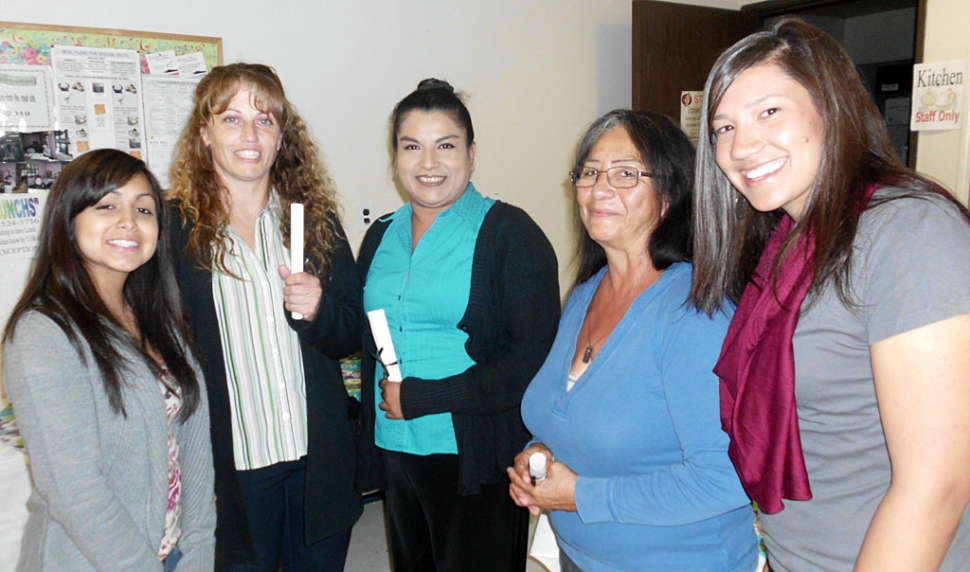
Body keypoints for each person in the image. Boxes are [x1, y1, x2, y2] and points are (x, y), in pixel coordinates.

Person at [690, 18, 970, 572]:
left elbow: (938, 486)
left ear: (830, 107)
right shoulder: (787, 245)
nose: (741, 145)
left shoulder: (907, 232)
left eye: (769, 112)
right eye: (722, 128)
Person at [508, 109, 758, 572]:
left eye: (626, 174)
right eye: (590, 172)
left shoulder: (695, 312)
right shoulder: (585, 294)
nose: (600, 189)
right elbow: (568, 415)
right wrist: (538, 454)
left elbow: (728, 478)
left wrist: (580, 495)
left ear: (670, 196)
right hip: (580, 557)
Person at [356, 78, 561, 572]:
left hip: (474, 452)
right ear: (396, 157)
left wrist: (424, 398)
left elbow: (530, 358)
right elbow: (358, 332)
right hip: (396, 445)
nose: (428, 163)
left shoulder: (510, 233)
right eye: (412, 147)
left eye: (445, 145)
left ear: (471, 153)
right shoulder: (380, 234)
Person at [167, 63, 362, 571]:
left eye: (265, 120)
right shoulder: (174, 230)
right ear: (205, 134)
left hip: (317, 462)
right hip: (232, 469)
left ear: (281, 138)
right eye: (231, 120)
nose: (249, 135)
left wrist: (319, 311)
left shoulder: (313, 222)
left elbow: (352, 333)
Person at [3, 149, 215, 571]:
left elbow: (194, 451)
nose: (128, 221)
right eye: (106, 206)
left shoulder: (160, 321)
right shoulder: (44, 332)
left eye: (143, 208)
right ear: (68, 220)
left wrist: (197, 552)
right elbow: (75, 491)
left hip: (173, 556)